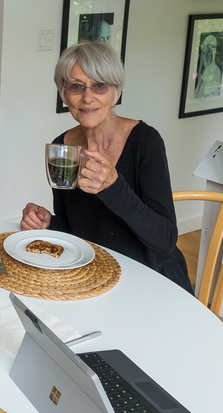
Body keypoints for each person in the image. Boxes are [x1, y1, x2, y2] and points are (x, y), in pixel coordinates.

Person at [21, 41, 193, 294]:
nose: (87, 97)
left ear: (117, 93)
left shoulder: (145, 141)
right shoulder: (63, 148)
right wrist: (48, 223)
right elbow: (77, 230)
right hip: (96, 275)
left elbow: (164, 240)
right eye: (76, 86)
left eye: (99, 85)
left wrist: (113, 186)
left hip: (152, 280)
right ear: (63, 94)